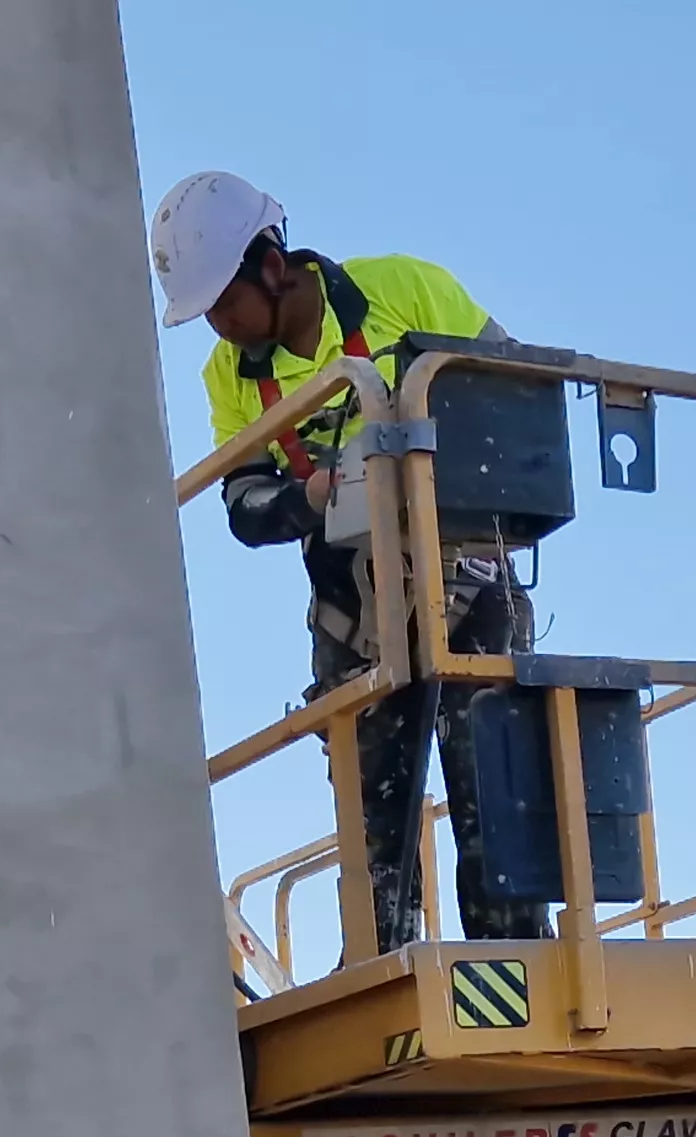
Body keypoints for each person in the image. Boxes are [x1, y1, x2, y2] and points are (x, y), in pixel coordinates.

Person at [151, 169, 544, 955]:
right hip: (355, 611)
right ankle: (382, 962)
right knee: (375, 820)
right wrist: (313, 493)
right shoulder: (230, 379)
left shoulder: (404, 290)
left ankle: (518, 958)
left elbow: (520, 402)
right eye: (208, 315)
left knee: (498, 794)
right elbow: (242, 508)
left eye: (227, 304)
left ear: (271, 263)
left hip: (471, 578)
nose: (222, 328)